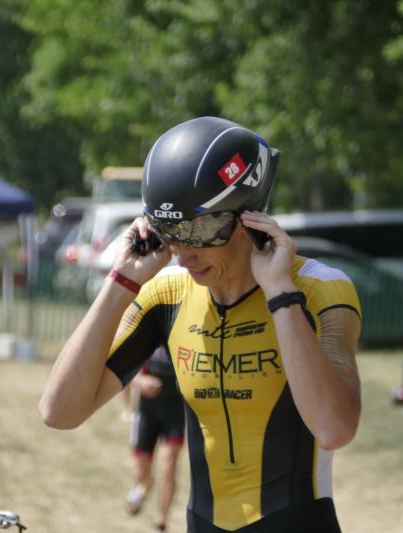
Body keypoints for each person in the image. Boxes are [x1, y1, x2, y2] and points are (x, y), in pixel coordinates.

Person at [40, 116, 362, 533]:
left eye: (201, 229)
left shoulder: (320, 290)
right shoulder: (167, 294)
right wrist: (121, 282)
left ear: (250, 216)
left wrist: (280, 292)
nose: (182, 252)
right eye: (169, 230)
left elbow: (335, 429)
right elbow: (59, 411)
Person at [125, 345, 185, 533]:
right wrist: (138, 381)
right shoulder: (148, 331)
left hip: (175, 408)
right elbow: (124, 367)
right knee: (140, 471)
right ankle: (145, 486)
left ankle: (161, 522)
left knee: (168, 465)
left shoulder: (185, 332)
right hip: (147, 410)